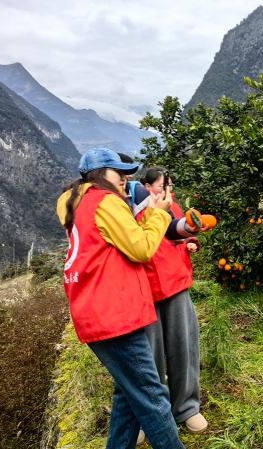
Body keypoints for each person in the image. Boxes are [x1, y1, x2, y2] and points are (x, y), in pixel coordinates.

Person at [56, 148, 185, 449]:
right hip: (115, 314)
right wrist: (157, 212)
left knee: (128, 394)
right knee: (153, 398)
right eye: (119, 172)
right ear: (99, 174)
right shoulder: (104, 201)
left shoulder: (77, 204)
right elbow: (140, 248)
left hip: (94, 312)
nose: (126, 178)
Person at [138, 167, 209, 434]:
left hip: (174, 282)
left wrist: (191, 237)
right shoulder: (129, 208)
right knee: (148, 356)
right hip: (142, 288)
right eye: (161, 185)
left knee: (184, 346)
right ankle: (151, 414)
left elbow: (178, 230)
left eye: (169, 185)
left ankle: (187, 407)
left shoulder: (173, 206)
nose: (166, 190)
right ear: (145, 186)